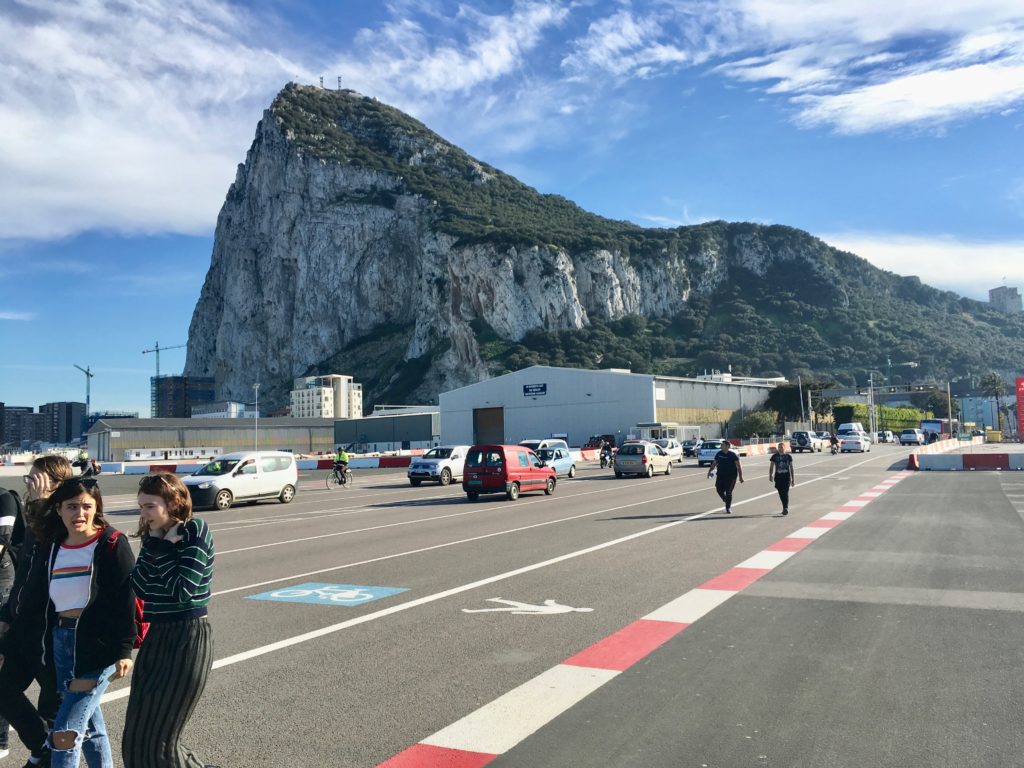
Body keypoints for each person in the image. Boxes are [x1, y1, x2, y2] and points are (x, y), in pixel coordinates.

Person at [21, 477, 135, 768]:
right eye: (72, 506)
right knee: (91, 726)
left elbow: (127, 600)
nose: (79, 513)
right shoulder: (54, 546)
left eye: (87, 506)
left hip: (98, 648)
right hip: (62, 642)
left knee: (65, 732)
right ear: (59, 509)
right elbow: (34, 596)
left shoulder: (110, 542)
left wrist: (124, 649)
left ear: (97, 508)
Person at [123, 473, 215, 768]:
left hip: (186, 639)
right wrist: (153, 545)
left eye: (150, 506)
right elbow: (138, 587)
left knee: (162, 741)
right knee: (135, 738)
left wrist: (162, 549)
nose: (144, 514)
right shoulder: (153, 537)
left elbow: (182, 592)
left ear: (174, 502)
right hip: (156, 637)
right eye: (141, 507)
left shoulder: (195, 531)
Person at [0, 456, 73, 766]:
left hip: (52, 634)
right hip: (23, 626)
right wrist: (6, 616)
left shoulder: (65, 524)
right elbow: (26, 573)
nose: (28, 486)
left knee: (63, 713)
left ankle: (53, 754)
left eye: (35, 480)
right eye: (28, 479)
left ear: (55, 486)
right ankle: (42, 747)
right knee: (3, 689)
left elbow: (46, 563)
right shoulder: (35, 520)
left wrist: (44, 504)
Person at [707, 439, 743, 514]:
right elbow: (714, 463)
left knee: (728, 492)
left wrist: (740, 477)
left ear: (727, 446)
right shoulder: (719, 454)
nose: (721, 446)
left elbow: (739, 466)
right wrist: (709, 471)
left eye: (722, 445)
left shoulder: (733, 455)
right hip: (720, 475)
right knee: (718, 489)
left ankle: (728, 507)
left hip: (731, 476)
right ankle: (726, 499)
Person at [768, 444, 796, 516]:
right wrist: (770, 475)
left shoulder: (788, 457)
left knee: (785, 492)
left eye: (782, 447)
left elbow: (791, 468)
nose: (780, 449)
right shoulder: (774, 456)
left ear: (784, 448)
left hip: (786, 476)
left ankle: (785, 507)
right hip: (778, 476)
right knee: (780, 492)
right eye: (779, 447)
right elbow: (771, 466)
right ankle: (784, 506)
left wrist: (793, 479)